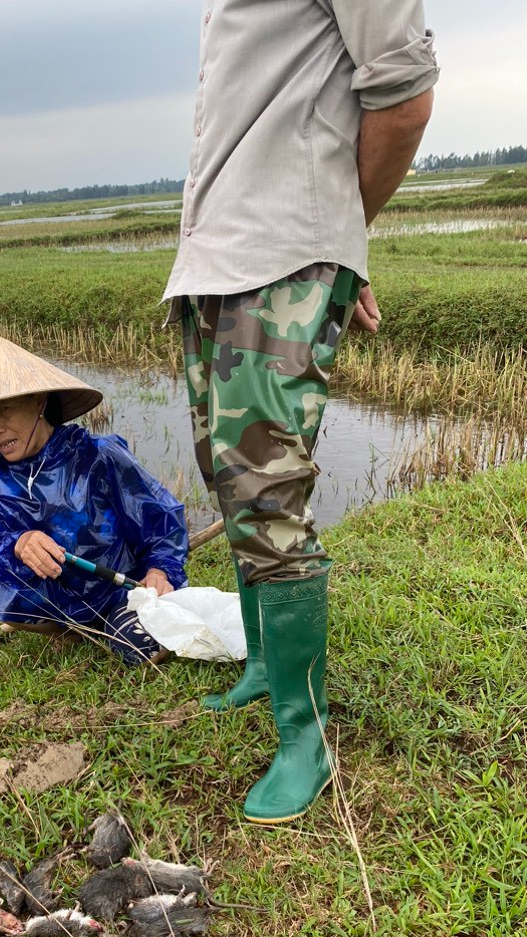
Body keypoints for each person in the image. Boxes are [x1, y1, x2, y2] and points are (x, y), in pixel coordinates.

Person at [163, 1, 437, 825]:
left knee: (265, 491)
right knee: (226, 471)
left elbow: (404, 94)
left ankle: (303, 737)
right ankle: (262, 670)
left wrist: (336, 246)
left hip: (284, 248)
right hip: (215, 252)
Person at [0, 337, 188, 664]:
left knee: (143, 649)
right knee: (3, 595)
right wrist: (20, 542)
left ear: (37, 401)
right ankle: (67, 630)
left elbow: (162, 518)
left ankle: (114, 622)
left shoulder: (97, 454)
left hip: (118, 585)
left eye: (4, 409)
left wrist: (160, 571)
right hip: (54, 592)